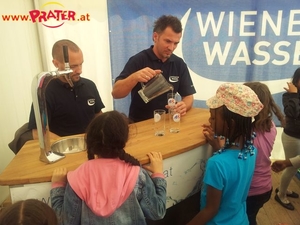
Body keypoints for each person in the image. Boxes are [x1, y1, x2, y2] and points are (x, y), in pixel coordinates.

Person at [50, 110, 166, 225]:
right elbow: (157, 212)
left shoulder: (77, 177)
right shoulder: (137, 174)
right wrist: (158, 175)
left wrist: (58, 186)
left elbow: (65, 222)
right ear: (124, 140)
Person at [187, 83, 263, 225]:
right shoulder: (251, 151)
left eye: (213, 118)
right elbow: (233, 177)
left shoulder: (216, 163)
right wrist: (219, 149)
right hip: (240, 220)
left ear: (230, 124)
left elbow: (211, 210)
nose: (209, 121)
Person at [111, 15, 196, 122]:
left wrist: (184, 106)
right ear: (155, 37)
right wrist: (135, 77)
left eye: (176, 43)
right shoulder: (138, 60)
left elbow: (188, 96)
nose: (171, 48)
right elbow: (116, 93)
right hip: (140, 125)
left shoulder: (179, 63)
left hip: (167, 122)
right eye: (168, 41)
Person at [28, 39, 105, 140]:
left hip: (91, 145)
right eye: (73, 66)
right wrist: (70, 144)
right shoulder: (45, 92)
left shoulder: (89, 85)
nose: (80, 70)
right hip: (63, 149)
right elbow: (37, 133)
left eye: (81, 64)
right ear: (56, 63)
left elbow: (98, 115)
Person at [244, 82, 285, 225]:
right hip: (265, 187)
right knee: (250, 216)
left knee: (246, 219)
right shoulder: (271, 126)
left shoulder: (243, 134)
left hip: (250, 190)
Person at [274, 68, 300, 211]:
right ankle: (281, 194)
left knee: (293, 166)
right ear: (296, 81)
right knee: (291, 166)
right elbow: (293, 114)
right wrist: (294, 95)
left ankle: (284, 188)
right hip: (292, 137)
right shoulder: (288, 96)